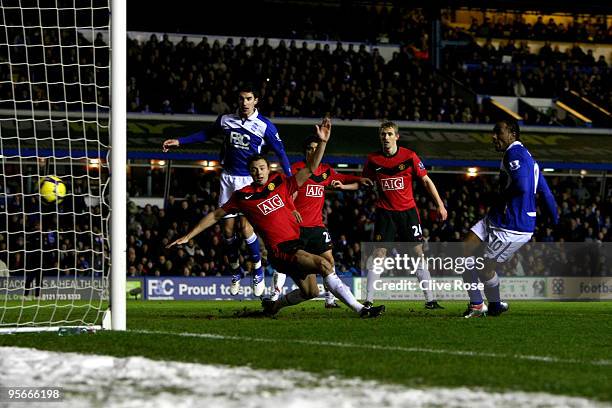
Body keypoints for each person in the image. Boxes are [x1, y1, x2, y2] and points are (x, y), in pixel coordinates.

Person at [168, 118, 384, 318]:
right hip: (282, 250)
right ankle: (360, 309)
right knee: (326, 265)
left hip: (296, 244)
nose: (259, 172)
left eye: (262, 168)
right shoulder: (243, 196)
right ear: (250, 172)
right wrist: (189, 235)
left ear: (267, 168)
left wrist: (323, 142)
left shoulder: (280, 182)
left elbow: (310, 169)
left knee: (311, 291)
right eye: (254, 170)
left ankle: (274, 306)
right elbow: (216, 215)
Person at [163, 84, 292, 297]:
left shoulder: (264, 126)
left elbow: (281, 152)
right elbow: (206, 133)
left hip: (249, 180)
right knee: (227, 231)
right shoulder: (226, 120)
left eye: (249, 98)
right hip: (228, 178)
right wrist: (180, 141)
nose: (244, 103)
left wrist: (290, 181)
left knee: (245, 226)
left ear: (256, 100)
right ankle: (236, 270)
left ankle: (258, 270)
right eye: (241, 98)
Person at [462, 120, 558, 318]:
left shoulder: (514, 154)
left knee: (484, 268)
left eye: (498, 132)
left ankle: (483, 305)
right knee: (464, 251)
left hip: (511, 226)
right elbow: (546, 193)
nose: (493, 136)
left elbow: (522, 186)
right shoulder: (529, 158)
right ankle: (489, 305)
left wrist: (499, 196)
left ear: (512, 133)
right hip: (496, 218)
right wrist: (555, 220)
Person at [270, 135, 373, 308]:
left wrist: (359, 179)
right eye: (309, 148)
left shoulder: (325, 171)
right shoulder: (296, 169)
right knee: (290, 265)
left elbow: (342, 178)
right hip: (297, 227)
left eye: (316, 148)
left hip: (317, 227)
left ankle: (329, 298)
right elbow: (283, 193)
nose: (313, 151)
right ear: (305, 151)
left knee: (329, 261)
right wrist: (292, 209)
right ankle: (275, 293)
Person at [362, 121, 447, 309]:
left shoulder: (410, 156)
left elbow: (426, 180)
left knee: (418, 253)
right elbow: (363, 181)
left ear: (397, 137)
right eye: (383, 134)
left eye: (390, 134)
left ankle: (430, 300)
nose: (386, 137)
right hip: (385, 213)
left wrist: (440, 205)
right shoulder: (372, 160)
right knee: (379, 254)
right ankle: (368, 300)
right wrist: (343, 185)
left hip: (408, 213)